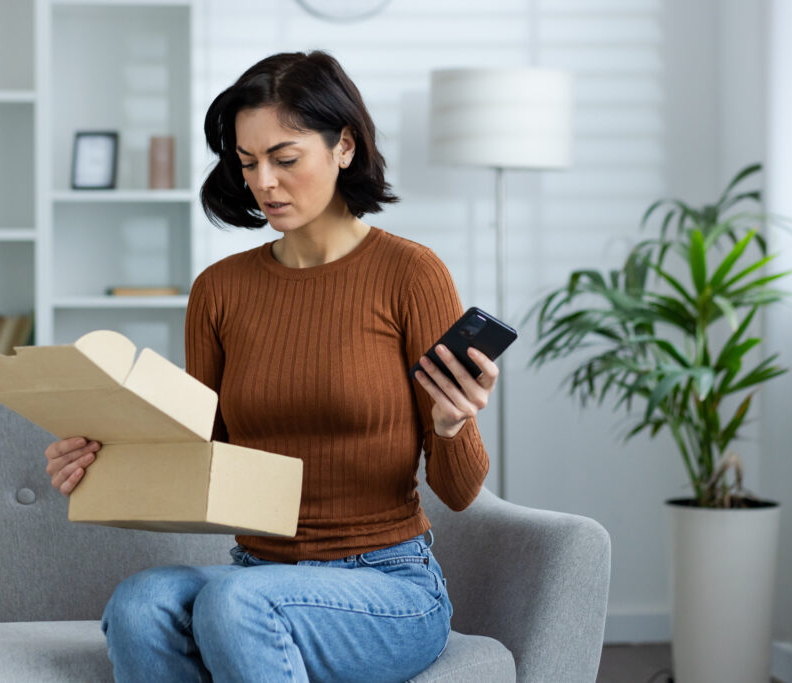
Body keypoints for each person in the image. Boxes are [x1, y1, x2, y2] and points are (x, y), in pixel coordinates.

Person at [43, 50, 499, 683]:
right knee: (141, 602)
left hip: (389, 584)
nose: (264, 182)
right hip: (261, 574)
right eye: (247, 161)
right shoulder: (219, 290)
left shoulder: (410, 274)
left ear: (343, 147)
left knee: (234, 603)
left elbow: (459, 490)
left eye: (285, 159)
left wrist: (452, 427)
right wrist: (103, 457)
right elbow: (205, 454)